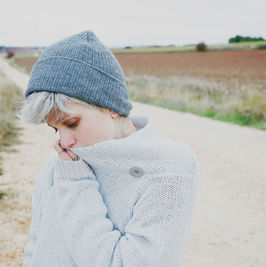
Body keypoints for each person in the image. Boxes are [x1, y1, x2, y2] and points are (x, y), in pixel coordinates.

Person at [18, 30, 199, 267]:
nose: (64, 141)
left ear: (110, 106)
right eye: (55, 129)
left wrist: (75, 182)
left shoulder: (170, 167)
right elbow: (37, 244)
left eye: (72, 123)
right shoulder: (60, 163)